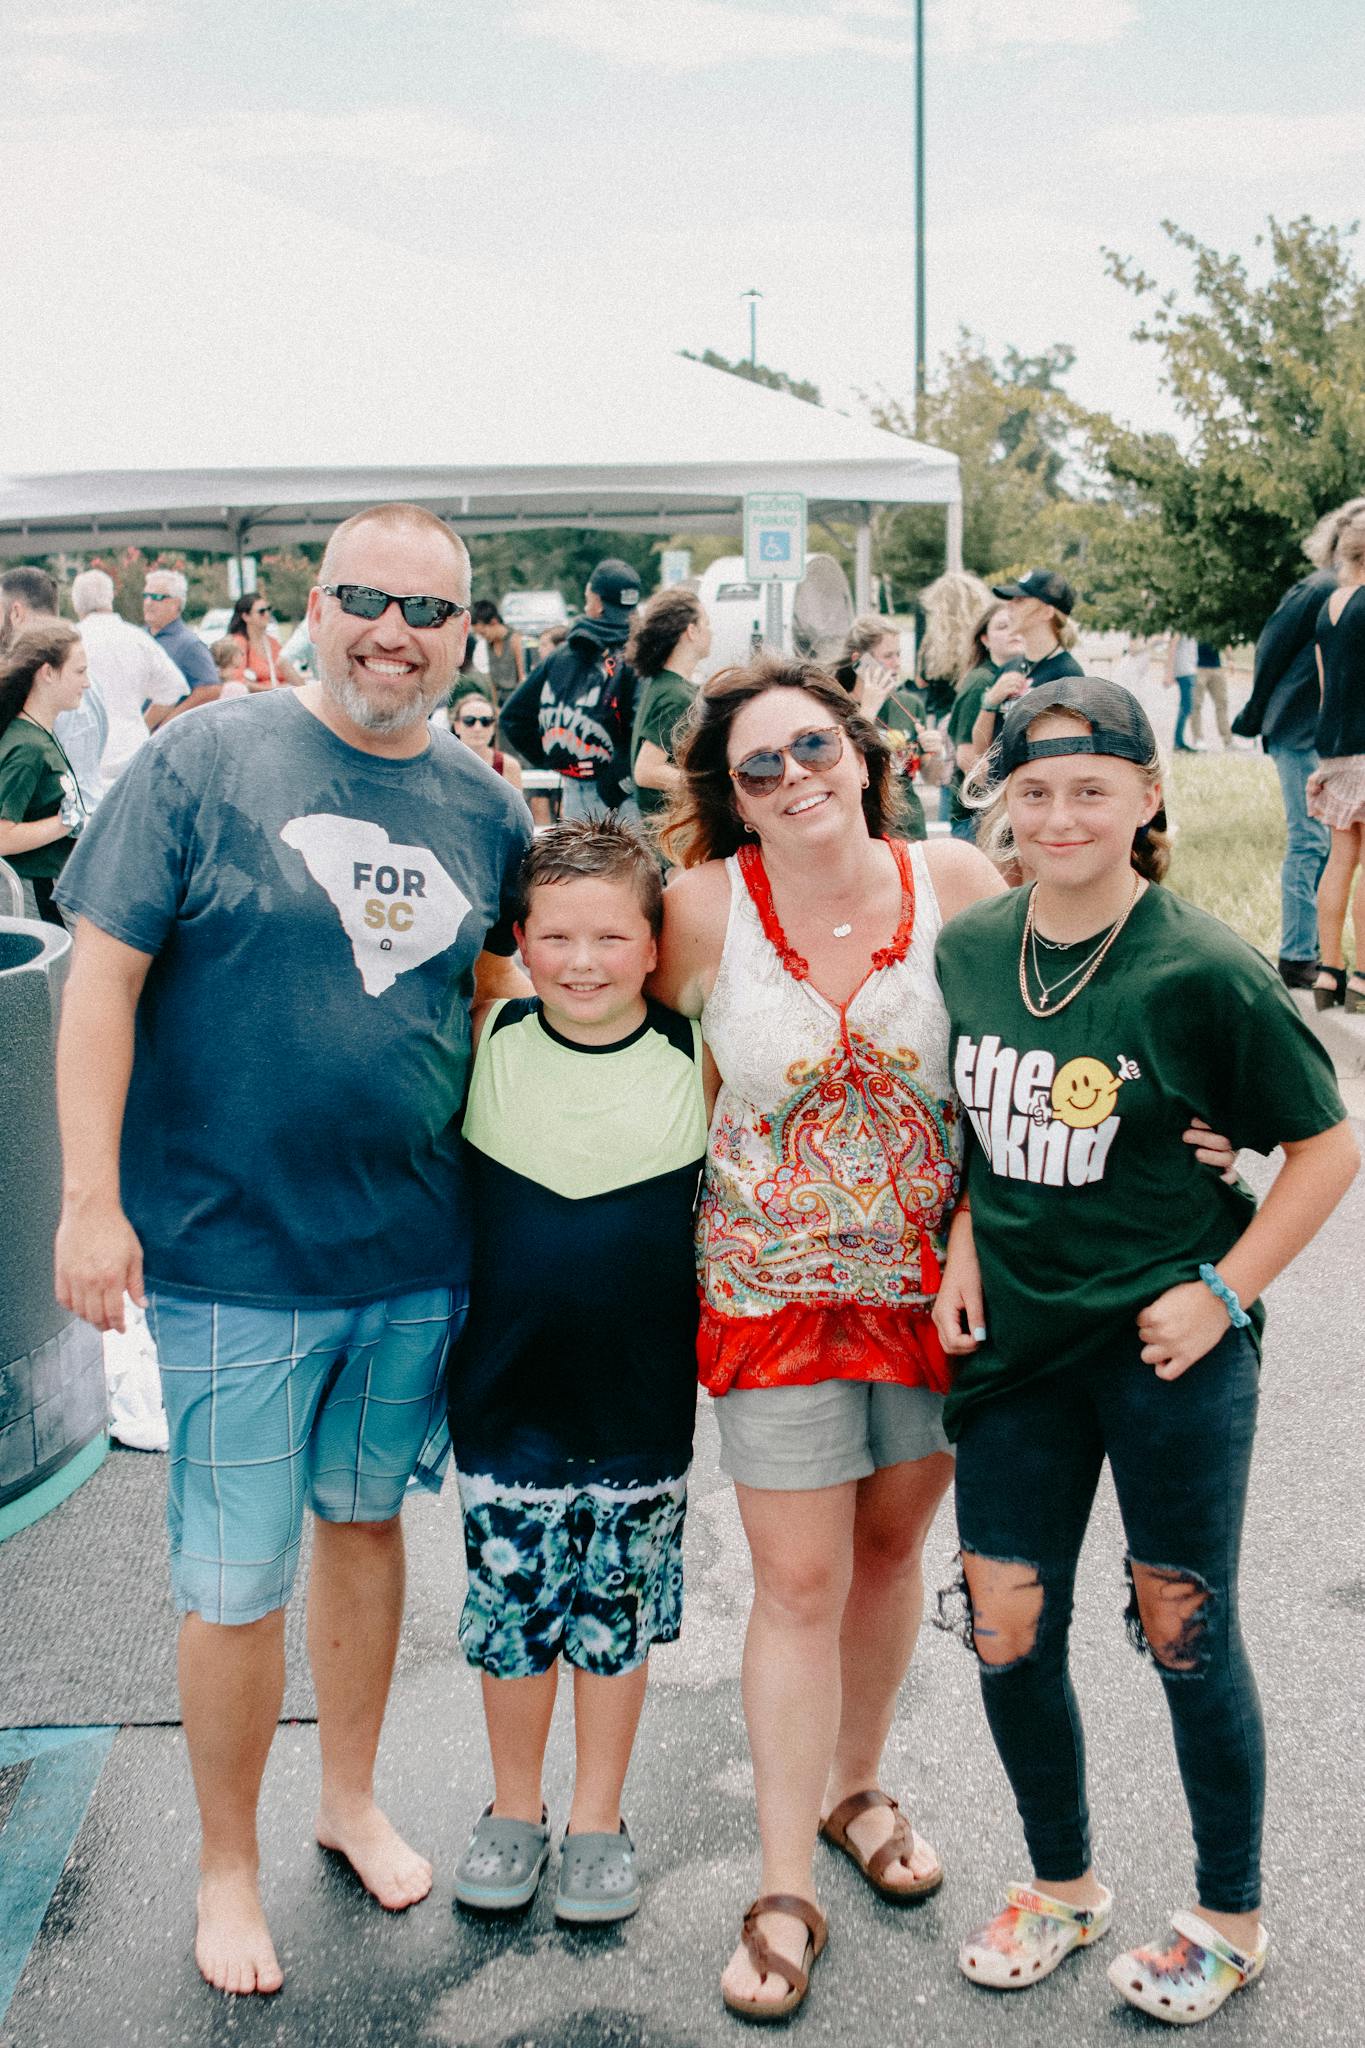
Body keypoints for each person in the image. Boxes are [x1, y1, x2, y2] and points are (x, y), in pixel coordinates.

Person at [52, 502, 533, 1999]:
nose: (392, 630)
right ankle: (226, 1866)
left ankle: (347, 1800)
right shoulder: (203, 759)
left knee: (367, 1528)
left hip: (412, 1251)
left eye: (427, 611)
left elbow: (506, 1010)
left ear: (468, 636)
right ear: (313, 608)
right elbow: (100, 985)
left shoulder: (484, 807)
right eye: (362, 598)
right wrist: (86, 1200)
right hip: (225, 1256)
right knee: (230, 1582)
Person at [933, 677, 1356, 2027]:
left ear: (1147, 797)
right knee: (1005, 1623)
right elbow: (976, 1131)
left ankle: (1227, 1918)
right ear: (1000, 797)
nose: (1059, 815)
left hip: (1167, 1348)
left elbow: (1327, 1145)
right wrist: (958, 1245)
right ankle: (1060, 1885)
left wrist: (1223, 1293)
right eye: (1035, 789)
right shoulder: (970, 947)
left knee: (1182, 1625)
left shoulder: (1203, 965)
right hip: (1017, 1347)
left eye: (1091, 789)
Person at [649, 656, 1005, 2019]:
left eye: (813, 749)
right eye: (759, 768)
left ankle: (860, 1784)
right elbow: (588, 1024)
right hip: (770, 1298)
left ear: (861, 752)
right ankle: (784, 1880)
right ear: (732, 801)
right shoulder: (698, 909)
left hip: (937, 1295)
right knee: (796, 1583)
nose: (794, 778)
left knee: (889, 1552)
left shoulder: (959, 882)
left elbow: (1038, 1051)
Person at [447, 820, 708, 1923]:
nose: (586, 960)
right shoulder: (486, 1035)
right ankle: (516, 1806)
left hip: (644, 1405)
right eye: (557, 936)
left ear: (657, 944)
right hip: (507, 1401)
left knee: (613, 1619)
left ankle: (598, 1816)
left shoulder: (700, 1054)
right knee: (512, 1617)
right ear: (520, 940)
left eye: (613, 935)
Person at [500, 559, 643, 823]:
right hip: (627, 791)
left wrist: (553, 758)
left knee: (583, 864)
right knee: (633, 865)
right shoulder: (642, 655)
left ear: (596, 602)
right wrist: (621, 779)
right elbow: (646, 732)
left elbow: (512, 717)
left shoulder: (563, 654)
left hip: (578, 790)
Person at [1307, 505, 1365, 1012]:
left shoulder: (1329, 605)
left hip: (1336, 747)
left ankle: (1329, 972)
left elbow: (1327, 685)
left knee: (1340, 860)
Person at [0, 622, 90, 923]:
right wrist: (65, 823)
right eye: (79, 672)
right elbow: (2, 836)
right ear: (48, 673)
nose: (87, 682)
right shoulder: (28, 748)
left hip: (49, 887)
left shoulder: (38, 734)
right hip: (35, 894)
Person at [0, 565, 107, 815]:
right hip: (82, 818)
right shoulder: (79, 673)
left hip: (60, 833)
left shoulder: (48, 684)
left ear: (16, 613)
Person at [71, 567, 188, 790]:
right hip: (132, 747)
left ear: (76, 603)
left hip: (85, 750)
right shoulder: (137, 638)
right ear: (110, 597)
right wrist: (142, 722)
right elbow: (173, 689)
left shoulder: (70, 640)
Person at [833, 616, 947, 841]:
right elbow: (841, 767)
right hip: (866, 831)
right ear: (859, 661)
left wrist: (936, 752)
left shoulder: (909, 704)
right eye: (888, 656)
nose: (896, 663)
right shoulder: (836, 706)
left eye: (899, 655)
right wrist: (868, 711)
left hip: (910, 830)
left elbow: (931, 776)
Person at [970, 570, 1084, 757]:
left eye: (1020, 601)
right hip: (1002, 784)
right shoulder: (1010, 666)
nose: (1009, 606)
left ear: (1047, 612)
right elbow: (981, 750)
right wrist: (990, 701)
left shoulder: (1068, 674)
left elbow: (1069, 753)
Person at [627, 586, 711, 832]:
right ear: (691, 631)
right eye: (706, 623)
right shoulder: (675, 696)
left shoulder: (664, 686)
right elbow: (646, 771)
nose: (711, 631)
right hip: (673, 831)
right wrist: (708, 785)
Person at [946, 601, 1023, 841]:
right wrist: (1005, 804)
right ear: (985, 640)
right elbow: (968, 757)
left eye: (1016, 624)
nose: (1012, 631)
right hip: (978, 818)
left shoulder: (1018, 677)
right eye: (1002, 627)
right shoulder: (982, 681)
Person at [142, 568, 222, 700]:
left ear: (176, 603)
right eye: (146, 596)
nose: (148, 602)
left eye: (157, 597)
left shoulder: (190, 644)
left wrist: (171, 718)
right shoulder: (139, 637)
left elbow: (211, 689)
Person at [226, 590, 304, 690]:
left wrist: (304, 689)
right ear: (246, 617)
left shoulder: (273, 643)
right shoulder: (238, 643)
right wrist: (273, 689)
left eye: (269, 609)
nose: (267, 614)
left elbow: (287, 669)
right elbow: (238, 681)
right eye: (261, 611)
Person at [450, 689, 524, 790]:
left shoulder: (509, 766)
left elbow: (515, 806)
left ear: (494, 727)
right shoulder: (441, 762)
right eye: (469, 721)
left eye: (486, 721)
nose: (477, 728)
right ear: (456, 726)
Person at [470, 599, 526, 696]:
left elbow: (523, 678)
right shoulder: (488, 643)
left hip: (516, 697)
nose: (483, 637)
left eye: (483, 633)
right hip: (499, 699)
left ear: (494, 622)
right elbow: (492, 683)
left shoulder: (515, 639)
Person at [1163, 632, 1200, 752]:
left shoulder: (1191, 626)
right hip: (1184, 671)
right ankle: (1178, 742)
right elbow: (1172, 647)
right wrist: (1169, 672)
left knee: (1187, 706)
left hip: (1189, 670)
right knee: (1186, 706)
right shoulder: (1181, 627)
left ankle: (1179, 741)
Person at [1191, 642, 1230, 749]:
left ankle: (1228, 740)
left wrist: (1230, 659)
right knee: (1196, 705)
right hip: (1198, 668)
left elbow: (1223, 639)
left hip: (1216, 667)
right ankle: (1198, 738)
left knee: (1222, 703)